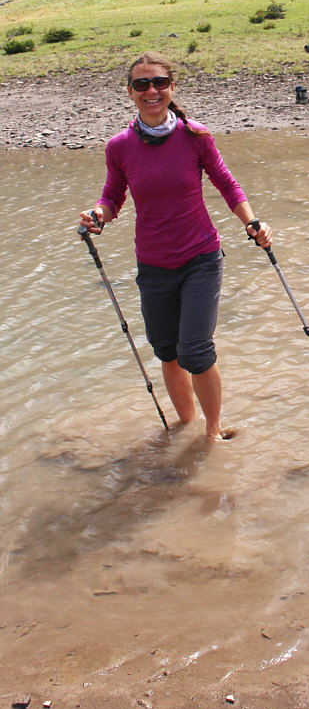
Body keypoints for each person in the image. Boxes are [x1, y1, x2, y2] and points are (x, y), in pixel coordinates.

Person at [79, 51, 272, 440]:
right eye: (141, 84)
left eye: (159, 83)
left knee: (195, 352)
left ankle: (213, 433)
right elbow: (113, 197)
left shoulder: (195, 136)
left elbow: (226, 183)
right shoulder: (119, 146)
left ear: (172, 87)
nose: (151, 91)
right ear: (130, 92)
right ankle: (185, 429)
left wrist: (253, 223)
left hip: (200, 257)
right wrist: (98, 216)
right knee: (167, 352)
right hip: (152, 264)